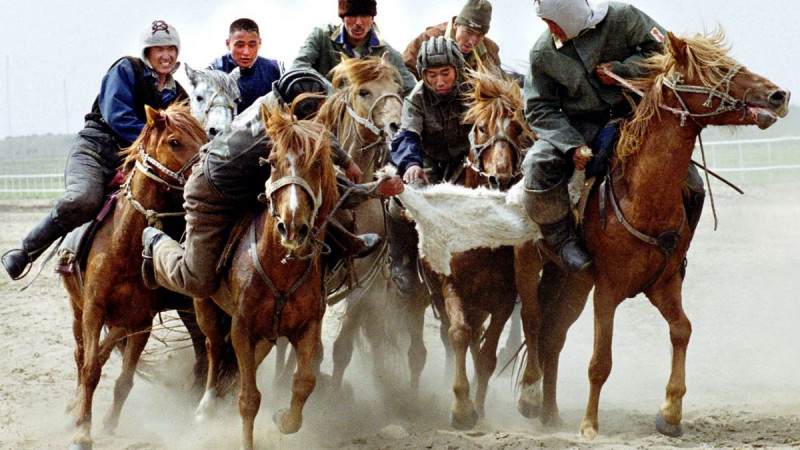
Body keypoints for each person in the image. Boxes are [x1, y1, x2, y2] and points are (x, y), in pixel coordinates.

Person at [141, 68, 404, 297]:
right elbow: (318, 176)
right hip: (212, 194)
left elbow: (317, 131)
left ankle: (346, 242)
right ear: (300, 109)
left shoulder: (277, 104)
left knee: (300, 205)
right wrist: (372, 190)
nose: (322, 113)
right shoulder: (277, 133)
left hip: (246, 180)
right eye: (318, 107)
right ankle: (157, 243)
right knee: (197, 282)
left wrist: (345, 160)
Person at [520, 0, 706, 274]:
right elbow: (539, 107)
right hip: (580, 126)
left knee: (693, 185)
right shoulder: (543, 52)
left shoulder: (623, 17)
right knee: (537, 164)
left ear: (569, 15)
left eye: (552, 22)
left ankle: (678, 250)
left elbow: (667, 51)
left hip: (637, 116)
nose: (549, 29)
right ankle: (562, 241)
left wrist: (624, 70)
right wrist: (570, 144)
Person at [2, 20, 187, 281]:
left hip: (142, 160)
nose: (166, 55)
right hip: (97, 150)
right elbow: (117, 116)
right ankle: (25, 251)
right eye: (159, 49)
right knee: (83, 199)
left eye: (171, 49)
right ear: (147, 52)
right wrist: (154, 143)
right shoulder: (127, 69)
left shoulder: (179, 94)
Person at [388, 36, 472, 293]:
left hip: (469, 159)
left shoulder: (475, 89)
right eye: (431, 75)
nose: (439, 81)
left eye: (446, 73)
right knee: (397, 204)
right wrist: (411, 164)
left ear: (457, 68)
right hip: (429, 162)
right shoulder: (416, 98)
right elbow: (408, 135)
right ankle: (404, 261)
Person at [290, 0, 416, 96]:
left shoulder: (388, 54)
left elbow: (410, 91)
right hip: (322, 113)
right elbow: (299, 66)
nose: (358, 23)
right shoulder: (321, 37)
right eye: (352, 15)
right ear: (342, 17)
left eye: (364, 16)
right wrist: (330, 91)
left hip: (366, 118)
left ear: (372, 18)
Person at [403, 0, 500, 79]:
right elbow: (405, 72)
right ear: (455, 25)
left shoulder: (490, 51)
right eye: (469, 32)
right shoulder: (427, 40)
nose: (472, 42)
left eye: (479, 36)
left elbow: (498, 82)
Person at [208, 18, 283, 113]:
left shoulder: (276, 70)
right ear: (228, 44)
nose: (246, 52)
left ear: (259, 43)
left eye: (252, 45)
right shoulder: (213, 72)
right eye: (240, 45)